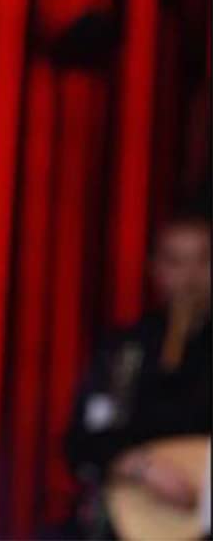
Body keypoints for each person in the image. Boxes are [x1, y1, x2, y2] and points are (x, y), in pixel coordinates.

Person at [64, 211, 211, 539]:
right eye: (177, 263)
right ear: (156, 269)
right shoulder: (126, 349)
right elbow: (84, 441)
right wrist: (139, 466)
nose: (190, 277)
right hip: (136, 517)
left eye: (203, 261)